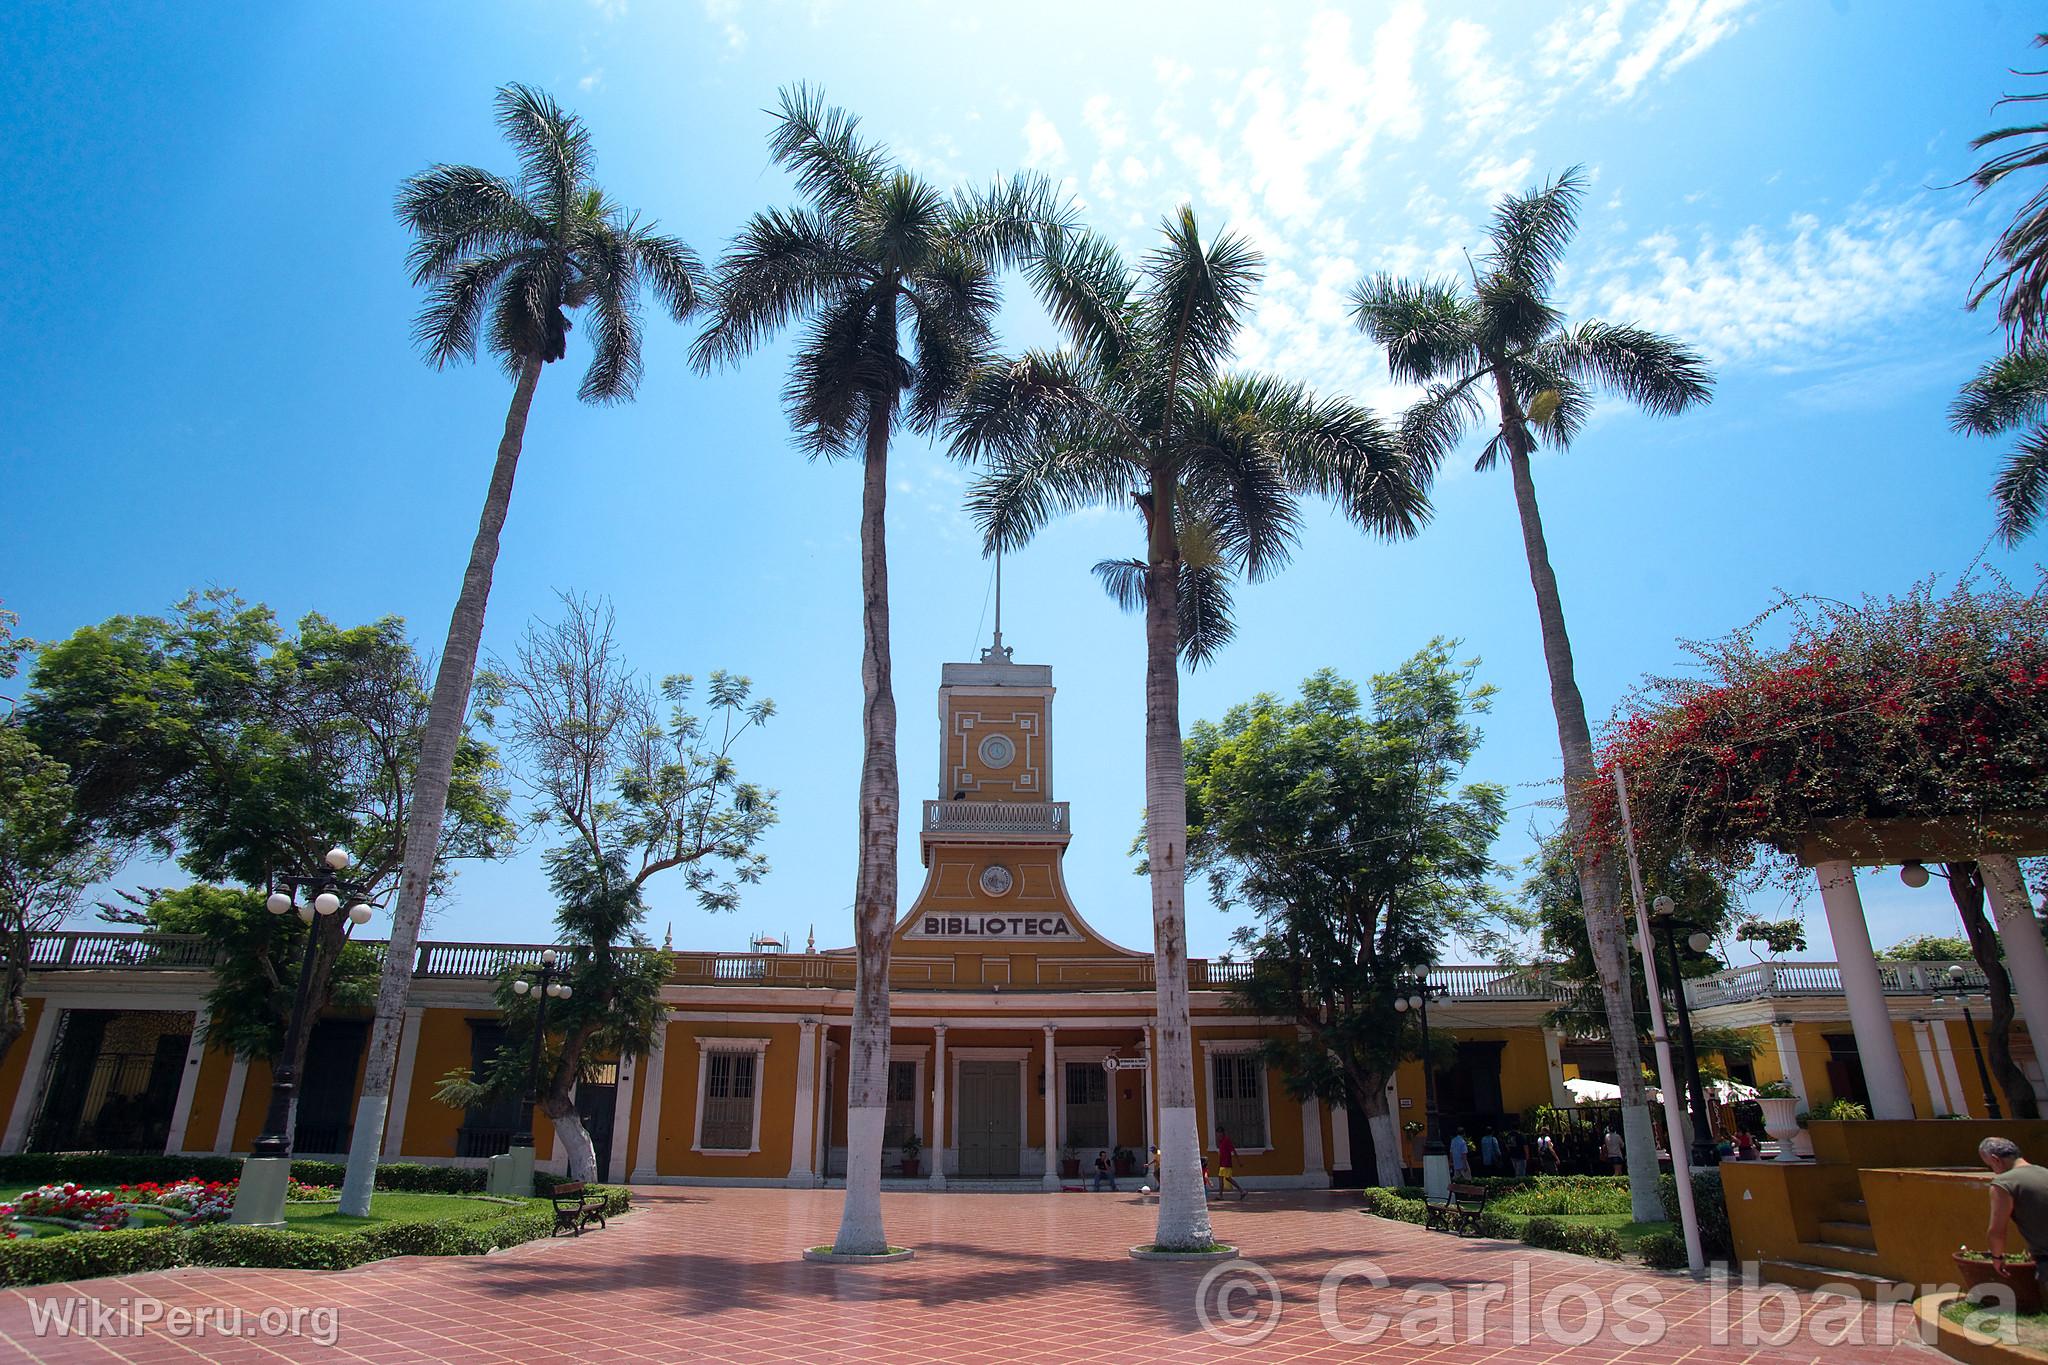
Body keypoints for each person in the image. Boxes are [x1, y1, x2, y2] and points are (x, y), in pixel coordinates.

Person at [1982, 1136, 2048, 1296]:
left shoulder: (2004, 1183)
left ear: (1996, 1160)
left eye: (1990, 1165)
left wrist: (1997, 1258)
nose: (1993, 1171)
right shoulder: (2044, 1172)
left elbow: (1997, 1231)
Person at [1215, 1127, 1248, 1200]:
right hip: (1222, 1163)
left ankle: (1241, 1191)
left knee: (1225, 1178)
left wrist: (1239, 1161)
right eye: (1217, 1134)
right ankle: (1241, 1191)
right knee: (1225, 1178)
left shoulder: (1226, 1140)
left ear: (1223, 1133)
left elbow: (1233, 1150)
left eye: (1220, 1133)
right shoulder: (1221, 1142)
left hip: (1226, 1163)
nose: (1218, 1135)